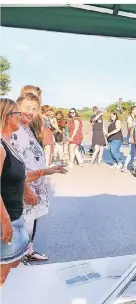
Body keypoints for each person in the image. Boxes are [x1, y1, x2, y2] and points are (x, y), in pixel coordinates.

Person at [0, 98, 67, 286]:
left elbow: (17, 176)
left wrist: (46, 171)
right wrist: (6, 222)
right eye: (17, 113)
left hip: (15, 217)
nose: (20, 117)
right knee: (3, 278)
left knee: (11, 272)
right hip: (7, 221)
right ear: (6, 117)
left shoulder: (7, 142)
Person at [121, 106, 136, 173]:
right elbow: (130, 128)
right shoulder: (130, 118)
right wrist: (131, 138)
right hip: (131, 136)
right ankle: (125, 166)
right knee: (131, 152)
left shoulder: (134, 118)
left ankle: (130, 165)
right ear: (132, 110)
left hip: (134, 136)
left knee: (133, 152)